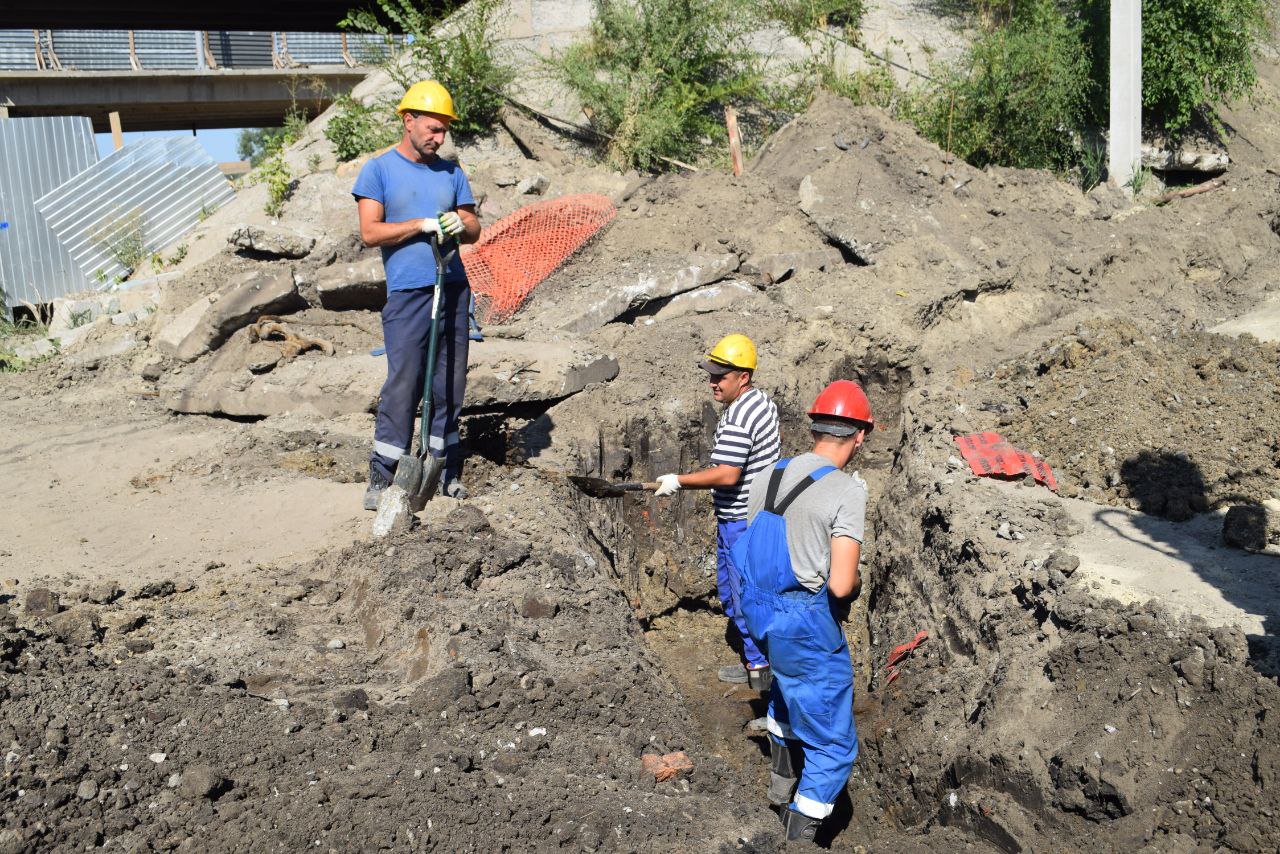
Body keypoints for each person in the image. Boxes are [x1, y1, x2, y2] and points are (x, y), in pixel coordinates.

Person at [731, 380, 873, 844]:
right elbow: (840, 583)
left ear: (813, 428)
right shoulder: (846, 491)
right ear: (860, 436)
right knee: (834, 740)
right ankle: (799, 832)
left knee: (787, 687)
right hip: (800, 620)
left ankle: (780, 777)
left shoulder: (770, 472)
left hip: (756, 609)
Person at [352, 80, 482, 509]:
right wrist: (422, 224)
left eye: (444, 130)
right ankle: (383, 475)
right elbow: (370, 232)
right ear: (408, 121)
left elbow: (474, 226)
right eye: (431, 128)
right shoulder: (379, 170)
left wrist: (457, 224)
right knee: (404, 382)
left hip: (453, 286)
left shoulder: (452, 171)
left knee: (449, 383)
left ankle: (443, 469)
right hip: (409, 292)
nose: (438, 138)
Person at [654, 334, 780, 690]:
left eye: (720, 377)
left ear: (743, 377)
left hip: (742, 521)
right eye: (711, 375)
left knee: (744, 599)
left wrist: (679, 481)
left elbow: (727, 474)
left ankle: (762, 675)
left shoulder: (739, 417)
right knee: (732, 591)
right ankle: (761, 662)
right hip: (750, 517)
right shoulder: (761, 403)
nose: (713, 383)